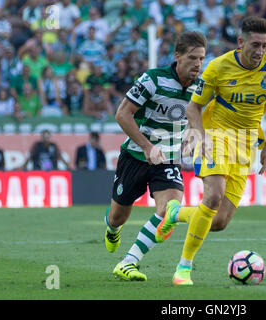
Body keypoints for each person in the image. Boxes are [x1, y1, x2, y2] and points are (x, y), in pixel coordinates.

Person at [155, 16, 266, 285]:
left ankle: (175, 213)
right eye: (255, 45)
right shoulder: (217, 68)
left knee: (219, 221)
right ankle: (184, 268)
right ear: (241, 42)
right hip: (215, 137)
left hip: (247, 143)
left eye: (265, 45)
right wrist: (200, 138)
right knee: (213, 196)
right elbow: (193, 107)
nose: (260, 52)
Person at [103, 31, 207, 282]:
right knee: (119, 216)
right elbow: (122, 114)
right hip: (136, 155)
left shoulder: (202, 86)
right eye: (192, 58)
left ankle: (129, 262)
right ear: (177, 56)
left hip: (168, 159)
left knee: (170, 208)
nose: (198, 64)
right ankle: (112, 228)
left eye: (202, 59)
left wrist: (195, 135)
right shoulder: (153, 79)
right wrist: (148, 147)